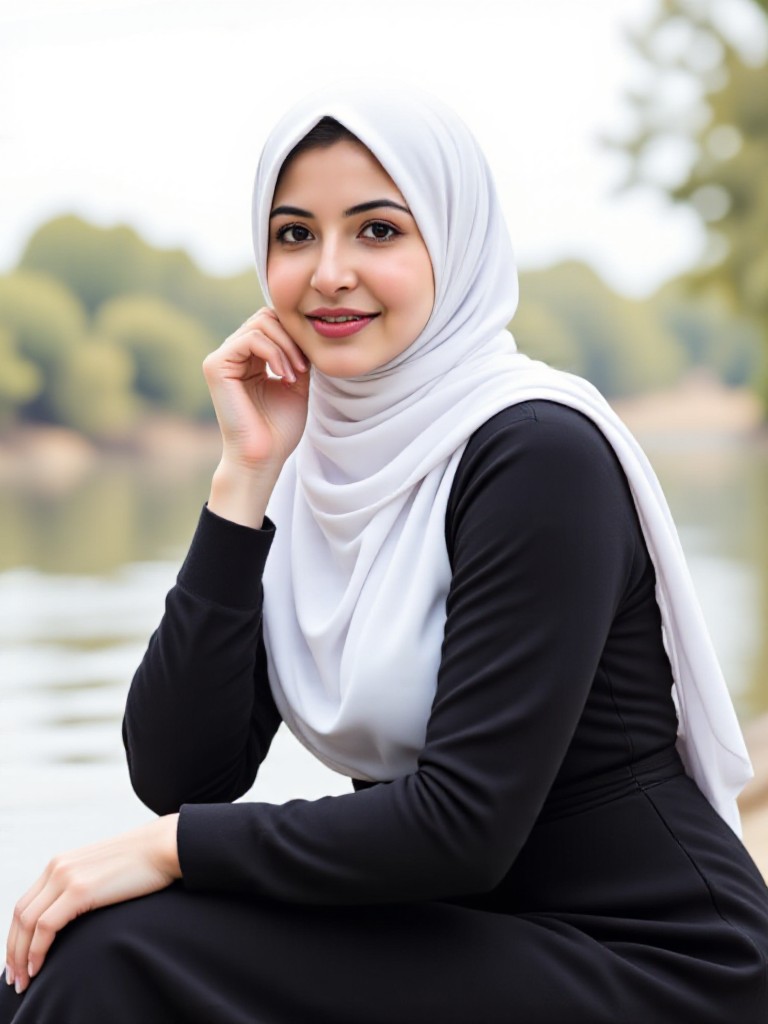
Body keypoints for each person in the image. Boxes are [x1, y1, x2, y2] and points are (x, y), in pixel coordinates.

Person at [3, 84, 768, 1024]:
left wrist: (172, 850)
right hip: (458, 929)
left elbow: (463, 825)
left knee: (108, 954)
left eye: (377, 231)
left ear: (454, 245)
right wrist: (244, 481)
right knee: (66, 955)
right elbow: (182, 776)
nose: (328, 272)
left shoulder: (536, 452)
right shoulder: (312, 463)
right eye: (294, 234)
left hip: (648, 960)